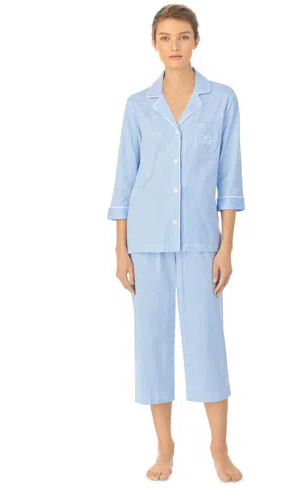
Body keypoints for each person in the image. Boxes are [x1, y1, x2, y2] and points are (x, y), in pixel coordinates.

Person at [107, 4, 245, 483]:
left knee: (207, 343)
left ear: (196, 41)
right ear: (154, 43)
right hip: (146, 242)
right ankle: (164, 445)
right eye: (165, 38)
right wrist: (120, 250)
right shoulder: (137, 106)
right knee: (153, 345)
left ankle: (219, 447)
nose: (174, 46)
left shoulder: (222, 100)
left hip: (202, 242)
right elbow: (125, 180)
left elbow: (229, 179)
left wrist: (226, 248)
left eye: (182, 37)